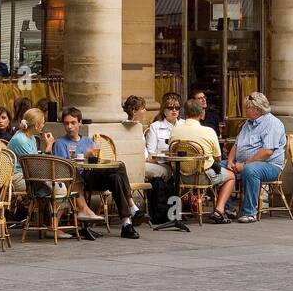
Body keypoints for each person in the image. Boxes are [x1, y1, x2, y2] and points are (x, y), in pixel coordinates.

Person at [52, 107, 146, 239]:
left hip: (92, 175)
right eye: (66, 123)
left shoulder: (88, 141)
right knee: (118, 171)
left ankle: (126, 222)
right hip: (76, 180)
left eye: (73, 123)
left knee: (116, 175)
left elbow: (95, 162)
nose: (69, 126)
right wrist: (84, 155)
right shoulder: (60, 143)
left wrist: (94, 158)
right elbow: (64, 168)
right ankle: (130, 212)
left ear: (80, 123)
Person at [220, 92, 286, 223]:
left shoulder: (272, 123)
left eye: (247, 107)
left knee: (251, 170)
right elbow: (237, 145)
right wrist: (229, 161)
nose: (245, 110)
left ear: (257, 109)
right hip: (242, 162)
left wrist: (244, 164)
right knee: (217, 166)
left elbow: (267, 151)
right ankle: (227, 208)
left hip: (270, 165)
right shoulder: (247, 123)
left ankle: (250, 212)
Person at [167, 99, 235, 224]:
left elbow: (171, 152)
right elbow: (218, 158)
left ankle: (180, 210)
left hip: (180, 176)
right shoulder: (208, 131)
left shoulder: (175, 130)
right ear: (201, 114)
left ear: (184, 113)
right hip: (202, 176)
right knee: (231, 176)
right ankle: (219, 211)